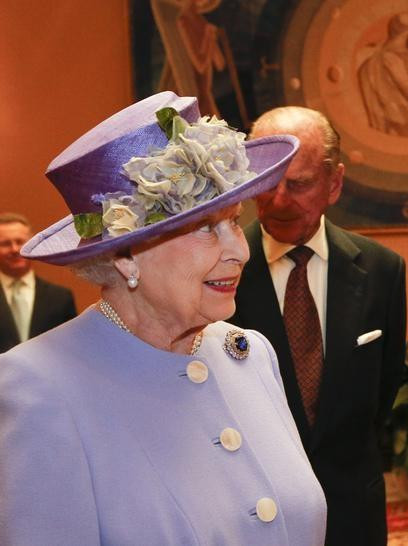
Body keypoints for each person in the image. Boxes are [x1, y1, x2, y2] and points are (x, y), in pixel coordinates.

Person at [0, 91, 326, 544]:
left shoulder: (249, 355)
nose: (240, 250)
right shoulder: (39, 385)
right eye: (204, 229)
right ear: (126, 256)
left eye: (233, 221)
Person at [230, 106, 407, 546]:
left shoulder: (383, 271)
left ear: (335, 183)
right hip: (248, 513)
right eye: (267, 182)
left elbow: (381, 395)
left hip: (353, 513)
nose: (279, 199)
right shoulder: (220, 271)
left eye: (300, 184)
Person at [0, 212, 76, 352]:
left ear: (31, 245)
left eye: (20, 242)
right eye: (5, 244)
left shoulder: (61, 298)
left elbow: (70, 349)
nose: (14, 249)